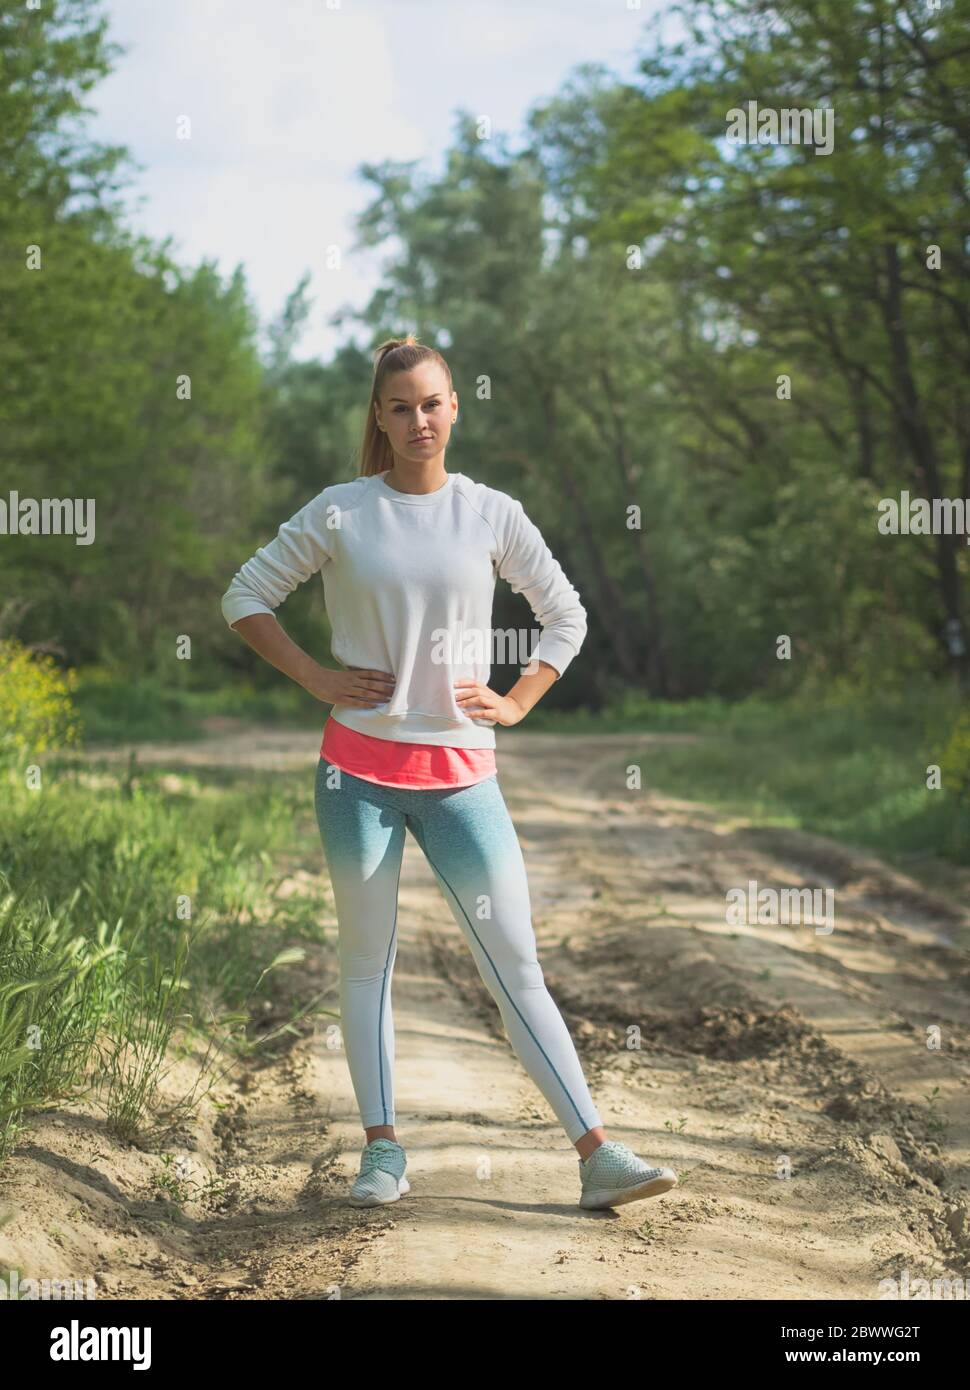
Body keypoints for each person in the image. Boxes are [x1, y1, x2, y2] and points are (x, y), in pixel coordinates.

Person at [220, 334, 678, 1211]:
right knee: (367, 963)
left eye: (431, 403)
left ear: (454, 407)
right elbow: (244, 595)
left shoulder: (490, 512)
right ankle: (382, 1152)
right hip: (354, 776)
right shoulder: (342, 511)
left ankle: (597, 1155)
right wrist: (317, 676)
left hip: (463, 775)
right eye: (400, 407)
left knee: (515, 964)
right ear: (380, 418)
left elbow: (565, 615)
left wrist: (522, 697)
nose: (417, 420)